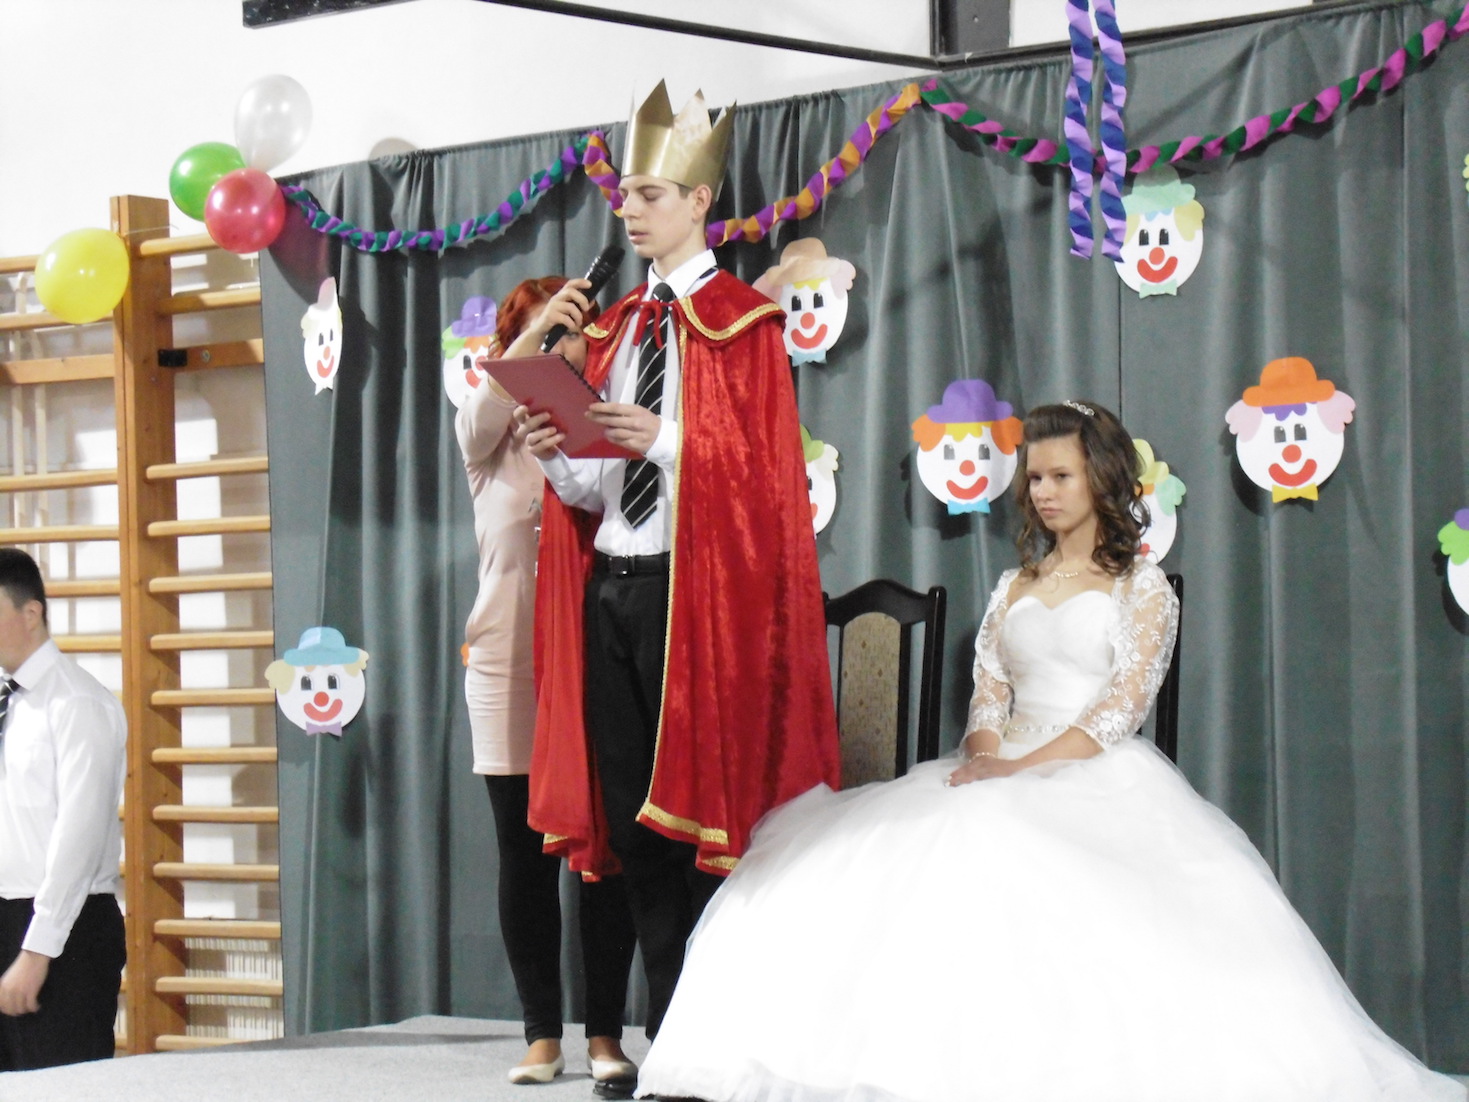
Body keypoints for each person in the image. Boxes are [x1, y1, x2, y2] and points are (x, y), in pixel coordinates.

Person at [634, 402, 1466, 1102]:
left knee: (1009, 844)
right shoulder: (1015, 585)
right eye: (1035, 477)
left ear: (1100, 479)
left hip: (1092, 773)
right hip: (998, 761)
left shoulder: (1140, 587)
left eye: (1060, 475)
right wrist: (984, 756)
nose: (1043, 491)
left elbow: (1118, 710)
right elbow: (988, 689)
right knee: (880, 853)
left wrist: (1019, 772)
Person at [511, 79, 839, 1079]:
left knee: (694, 819)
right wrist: (557, 453)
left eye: (649, 194)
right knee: (630, 824)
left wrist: (665, 438)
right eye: (625, 194)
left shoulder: (745, 324)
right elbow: (597, 492)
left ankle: (713, 1035)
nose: (629, 209)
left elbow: (767, 482)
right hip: (614, 588)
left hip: (694, 605)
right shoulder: (614, 328)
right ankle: (668, 1041)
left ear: (699, 202)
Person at [455, 279, 637, 1090]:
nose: (560, 347)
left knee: (600, 851)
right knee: (520, 853)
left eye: (572, 334)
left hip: (592, 655)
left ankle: (604, 1033)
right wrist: (535, 335)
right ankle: (539, 1034)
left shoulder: (603, 429)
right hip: (505, 662)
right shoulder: (487, 438)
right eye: (542, 334)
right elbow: (478, 411)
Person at [0, 547, 127, 1070]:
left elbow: (79, 837)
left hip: (65, 931)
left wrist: (37, 951)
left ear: (30, 613)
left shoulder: (78, 702)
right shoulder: (8, 702)